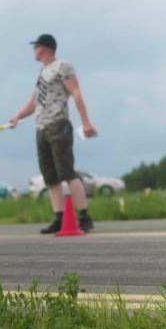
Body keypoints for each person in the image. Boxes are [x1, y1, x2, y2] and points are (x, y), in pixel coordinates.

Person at [8, 34, 98, 234]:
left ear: (46, 48)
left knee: (67, 171)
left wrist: (85, 122)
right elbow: (32, 104)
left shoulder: (62, 66)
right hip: (41, 127)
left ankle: (84, 216)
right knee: (50, 177)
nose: (34, 50)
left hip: (59, 124)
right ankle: (59, 218)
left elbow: (75, 92)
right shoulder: (40, 74)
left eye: (37, 46)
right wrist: (17, 117)